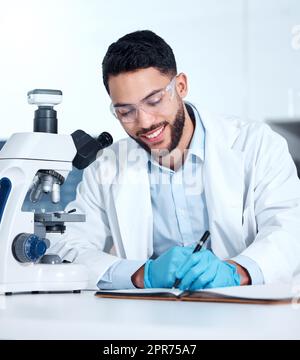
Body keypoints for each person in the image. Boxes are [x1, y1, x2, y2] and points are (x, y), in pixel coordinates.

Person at [51, 30, 300, 290]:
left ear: (180, 86)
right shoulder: (108, 166)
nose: (145, 122)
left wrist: (236, 272)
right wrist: (139, 275)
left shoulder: (257, 144)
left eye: (154, 101)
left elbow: (291, 231)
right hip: (152, 320)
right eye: (126, 112)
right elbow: (68, 245)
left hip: (250, 318)